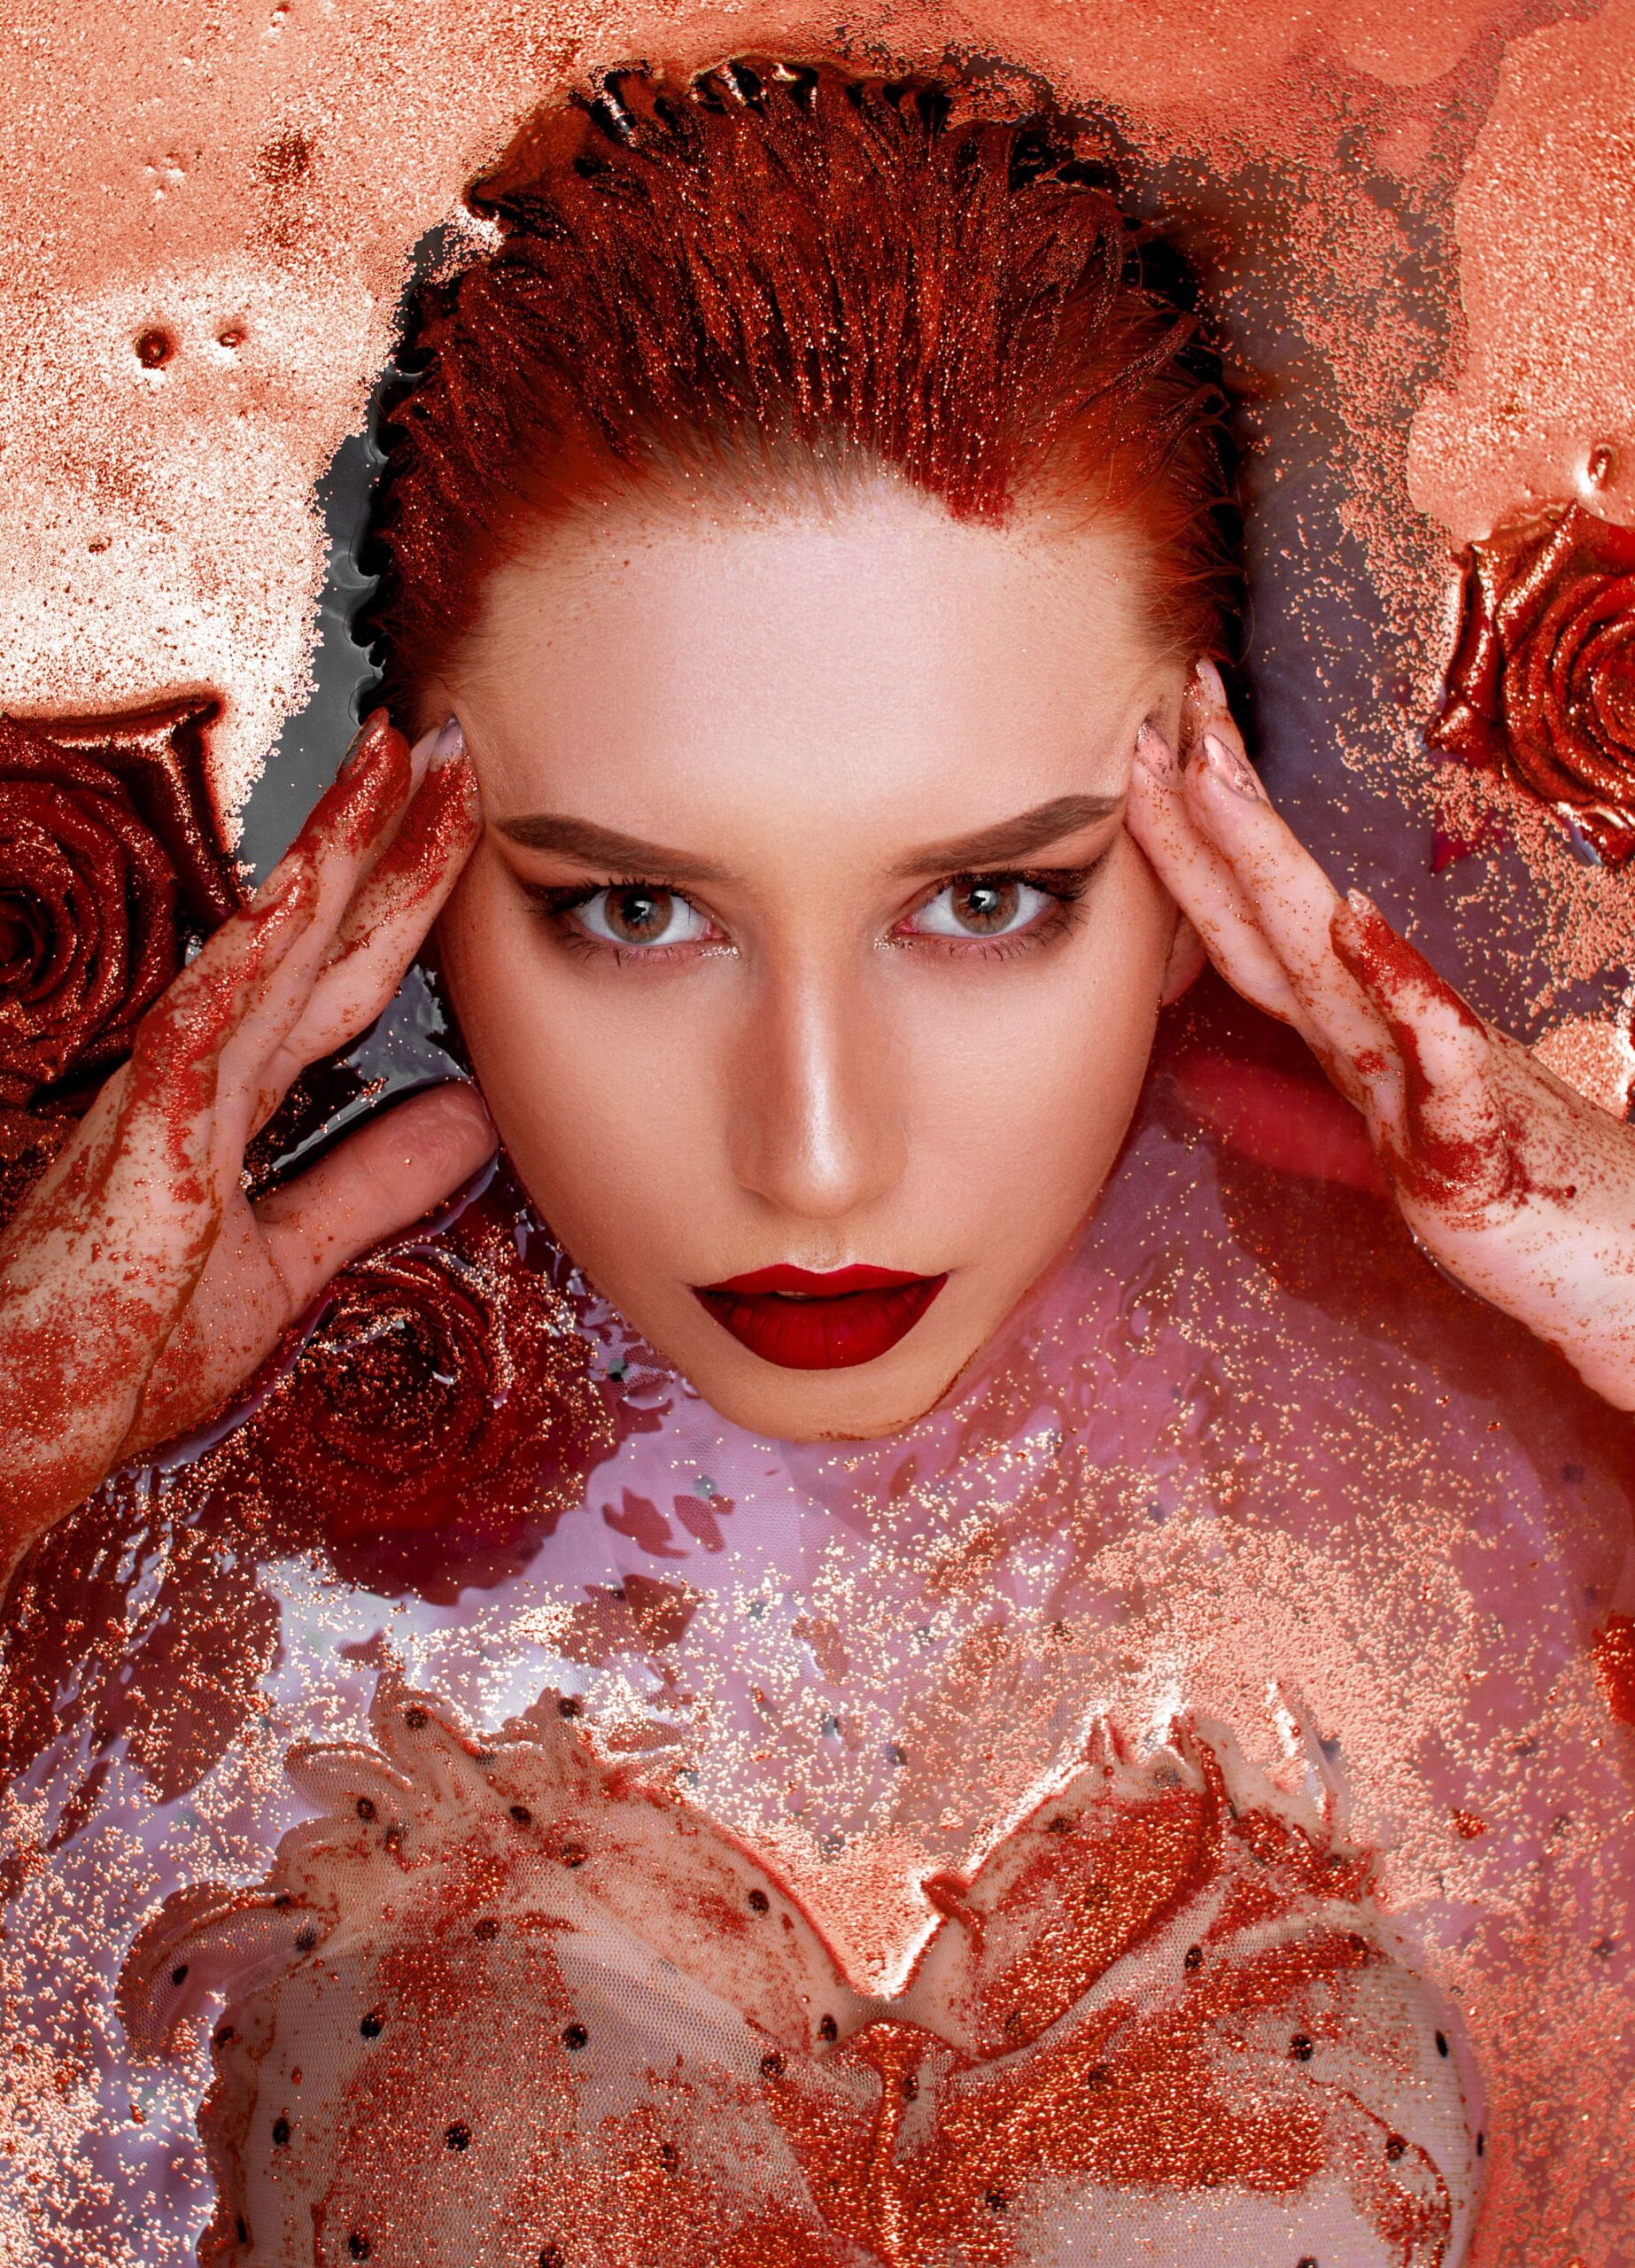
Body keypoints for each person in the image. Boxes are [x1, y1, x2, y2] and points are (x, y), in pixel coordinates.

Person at [1, 51, 1630, 2265]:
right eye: (630, 908)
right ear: (413, 911)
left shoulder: (1500, 1521)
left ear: (1198, 894)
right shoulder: (130, 1588)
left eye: (987, 898)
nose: (817, 1149)